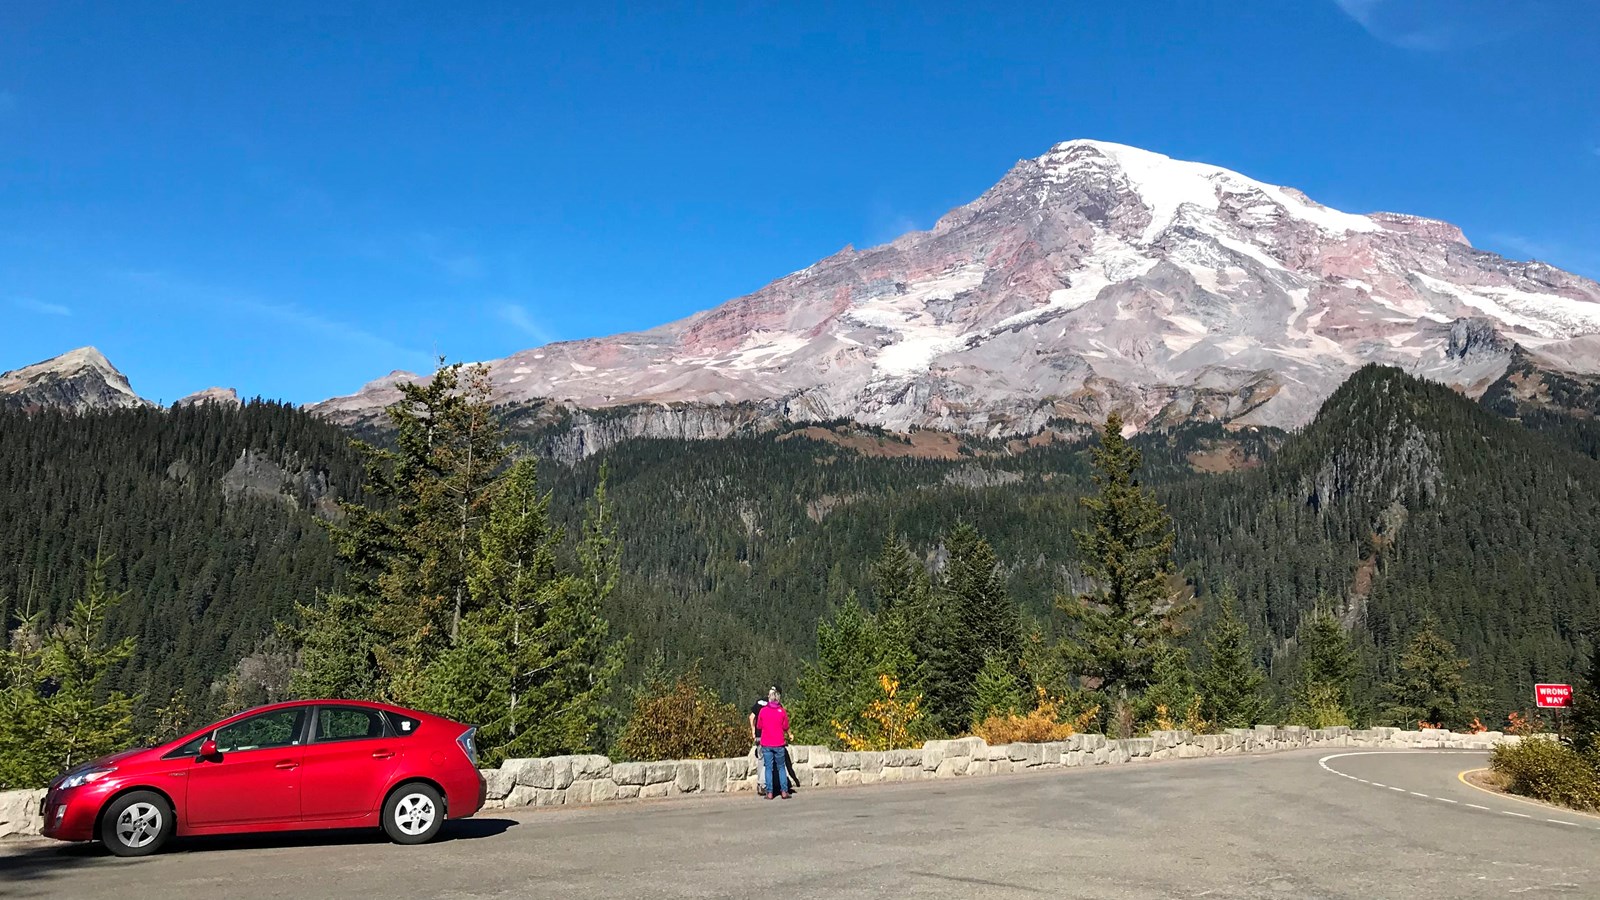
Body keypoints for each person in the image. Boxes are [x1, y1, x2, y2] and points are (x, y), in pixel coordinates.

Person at [754, 686, 793, 799]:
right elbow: (785, 726)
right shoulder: (782, 711)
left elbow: (759, 726)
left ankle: (769, 792)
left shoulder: (763, 711)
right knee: (781, 767)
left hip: (766, 743)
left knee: (768, 767)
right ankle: (784, 791)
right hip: (779, 743)